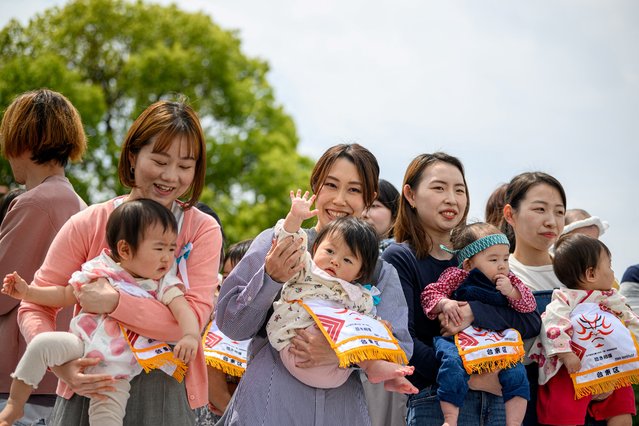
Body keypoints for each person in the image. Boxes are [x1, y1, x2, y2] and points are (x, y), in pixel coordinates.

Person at [17, 99, 222, 425]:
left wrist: (114, 302)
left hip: (165, 391)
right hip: (89, 385)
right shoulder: (89, 222)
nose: (170, 176)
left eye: (185, 166)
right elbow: (35, 304)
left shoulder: (201, 230)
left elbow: (189, 323)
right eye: (159, 160)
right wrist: (62, 366)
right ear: (132, 155)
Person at [216, 143, 412, 425]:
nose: (340, 199)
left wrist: (341, 353)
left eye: (354, 190)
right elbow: (232, 325)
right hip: (269, 405)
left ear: (369, 198)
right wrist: (271, 278)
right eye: (331, 185)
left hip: (342, 412)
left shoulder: (380, 271)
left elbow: (400, 349)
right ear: (315, 187)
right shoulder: (278, 242)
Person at [0, 199, 201, 426]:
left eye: (172, 248)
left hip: (115, 370)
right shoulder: (102, 269)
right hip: (79, 346)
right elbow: (66, 295)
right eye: (159, 248)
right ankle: (15, 406)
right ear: (125, 249)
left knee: (106, 419)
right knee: (41, 344)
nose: (167, 256)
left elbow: (183, 309)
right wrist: (28, 292)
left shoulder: (162, 283)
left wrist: (190, 335)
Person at [382, 152, 541, 425]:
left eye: (459, 190)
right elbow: (400, 340)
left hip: (497, 399)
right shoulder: (400, 257)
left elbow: (529, 319)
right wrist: (471, 376)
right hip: (436, 399)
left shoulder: (481, 255)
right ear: (410, 195)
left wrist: (474, 312)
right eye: (439, 188)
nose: (451, 199)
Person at [266, 190, 416, 393]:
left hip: (339, 368)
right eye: (329, 251)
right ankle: (375, 366)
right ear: (316, 247)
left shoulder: (357, 293)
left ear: (360, 272)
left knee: (371, 335)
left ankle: (380, 371)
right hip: (298, 346)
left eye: (347, 260)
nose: (335, 260)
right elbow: (288, 240)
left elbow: (367, 322)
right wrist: (295, 217)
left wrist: (380, 327)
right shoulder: (306, 269)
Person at [0, 89, 87, 425]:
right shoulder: (76, 202)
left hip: (22, 384)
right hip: (52, 379)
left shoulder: (37, 202)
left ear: (24, 140)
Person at [421, 222, 536, 426]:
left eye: (505, 259)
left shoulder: (511, 281)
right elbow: (430, 293)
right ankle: (450, 419)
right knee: (451, 366)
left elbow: (529, 306)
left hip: (497, 342)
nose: (502, 265)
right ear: (468, 264)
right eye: (493, 259)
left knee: (517, 373)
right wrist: (445, 303)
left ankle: (515, 423)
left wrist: (511, 292)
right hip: (460, 340)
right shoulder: (456, 276)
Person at [529, 234, 638, 425]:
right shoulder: (565, 298)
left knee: (621, 405)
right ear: (591, 274)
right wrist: (565, 353)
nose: (612, 273)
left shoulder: (611, 298)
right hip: (571, 367)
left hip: (610, 363)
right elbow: (553, 325)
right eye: (609, 266)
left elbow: (630, 320)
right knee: (564, 411)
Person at [361, 179, 407, 426]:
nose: (366, 211)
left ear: (394, 215)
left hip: (385, 367)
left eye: (375, 204)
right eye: (364, 203)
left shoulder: (399, 256)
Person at [362, 179, 400, 254]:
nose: (363, 214)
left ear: (395, 215)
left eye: (374, 206)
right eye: (361, 206)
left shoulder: (406, 257)